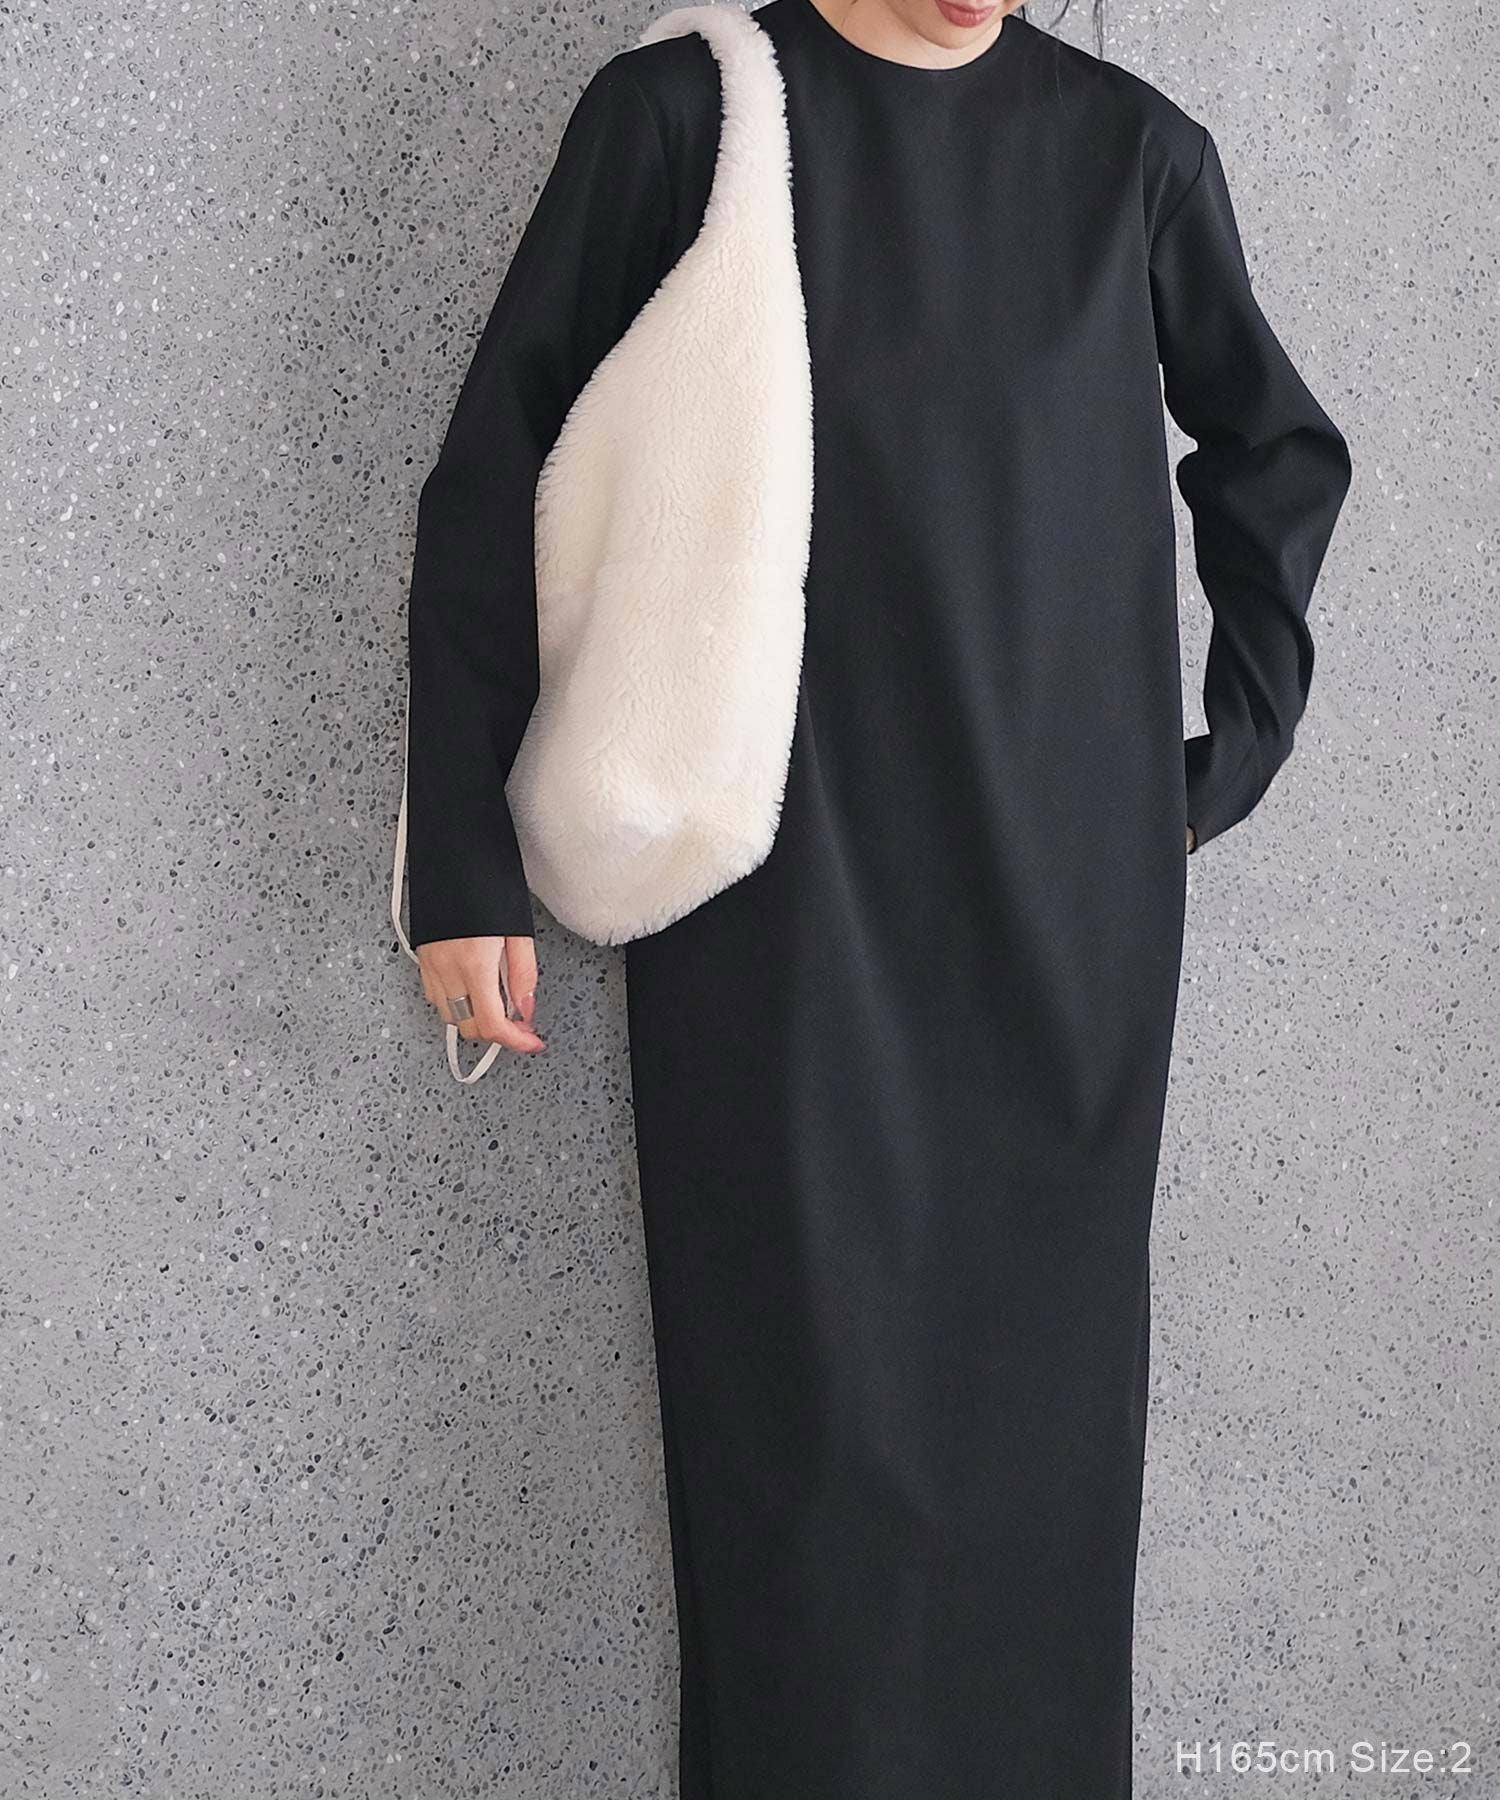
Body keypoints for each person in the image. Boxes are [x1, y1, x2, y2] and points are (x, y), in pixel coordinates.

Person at [397, 1, 1353, 1793]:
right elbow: (492, 474)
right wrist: (462, 861)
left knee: (1040, 1485)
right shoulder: (686, 116)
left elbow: (1278, 454)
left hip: (1062, 932)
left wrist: (1210, 765)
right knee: (801, 1488)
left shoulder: (1131, 155)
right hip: (782, 910)